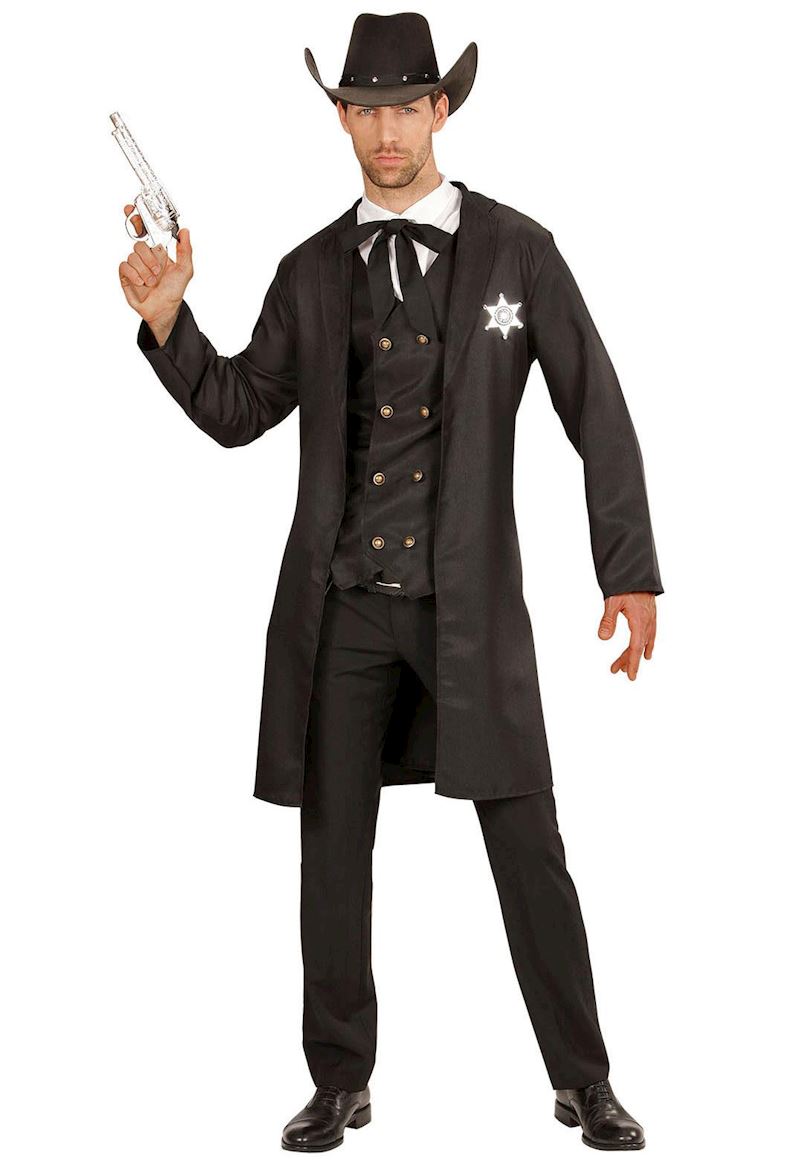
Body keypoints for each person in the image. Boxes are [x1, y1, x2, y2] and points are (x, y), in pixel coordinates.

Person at [119, 12, 661, 1154]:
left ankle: (584, 1077)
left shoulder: (518, 253)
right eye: (364, 111)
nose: (386, 133)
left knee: (528, 843)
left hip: (471, 609)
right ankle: (340, 1080)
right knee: (332, 857)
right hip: (341, 610)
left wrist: (628, 570)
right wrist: (170, 323)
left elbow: (597, 407)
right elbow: (239, 410)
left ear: (440, 110)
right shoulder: (310, 272)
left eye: (405, 108)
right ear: (341, 118)